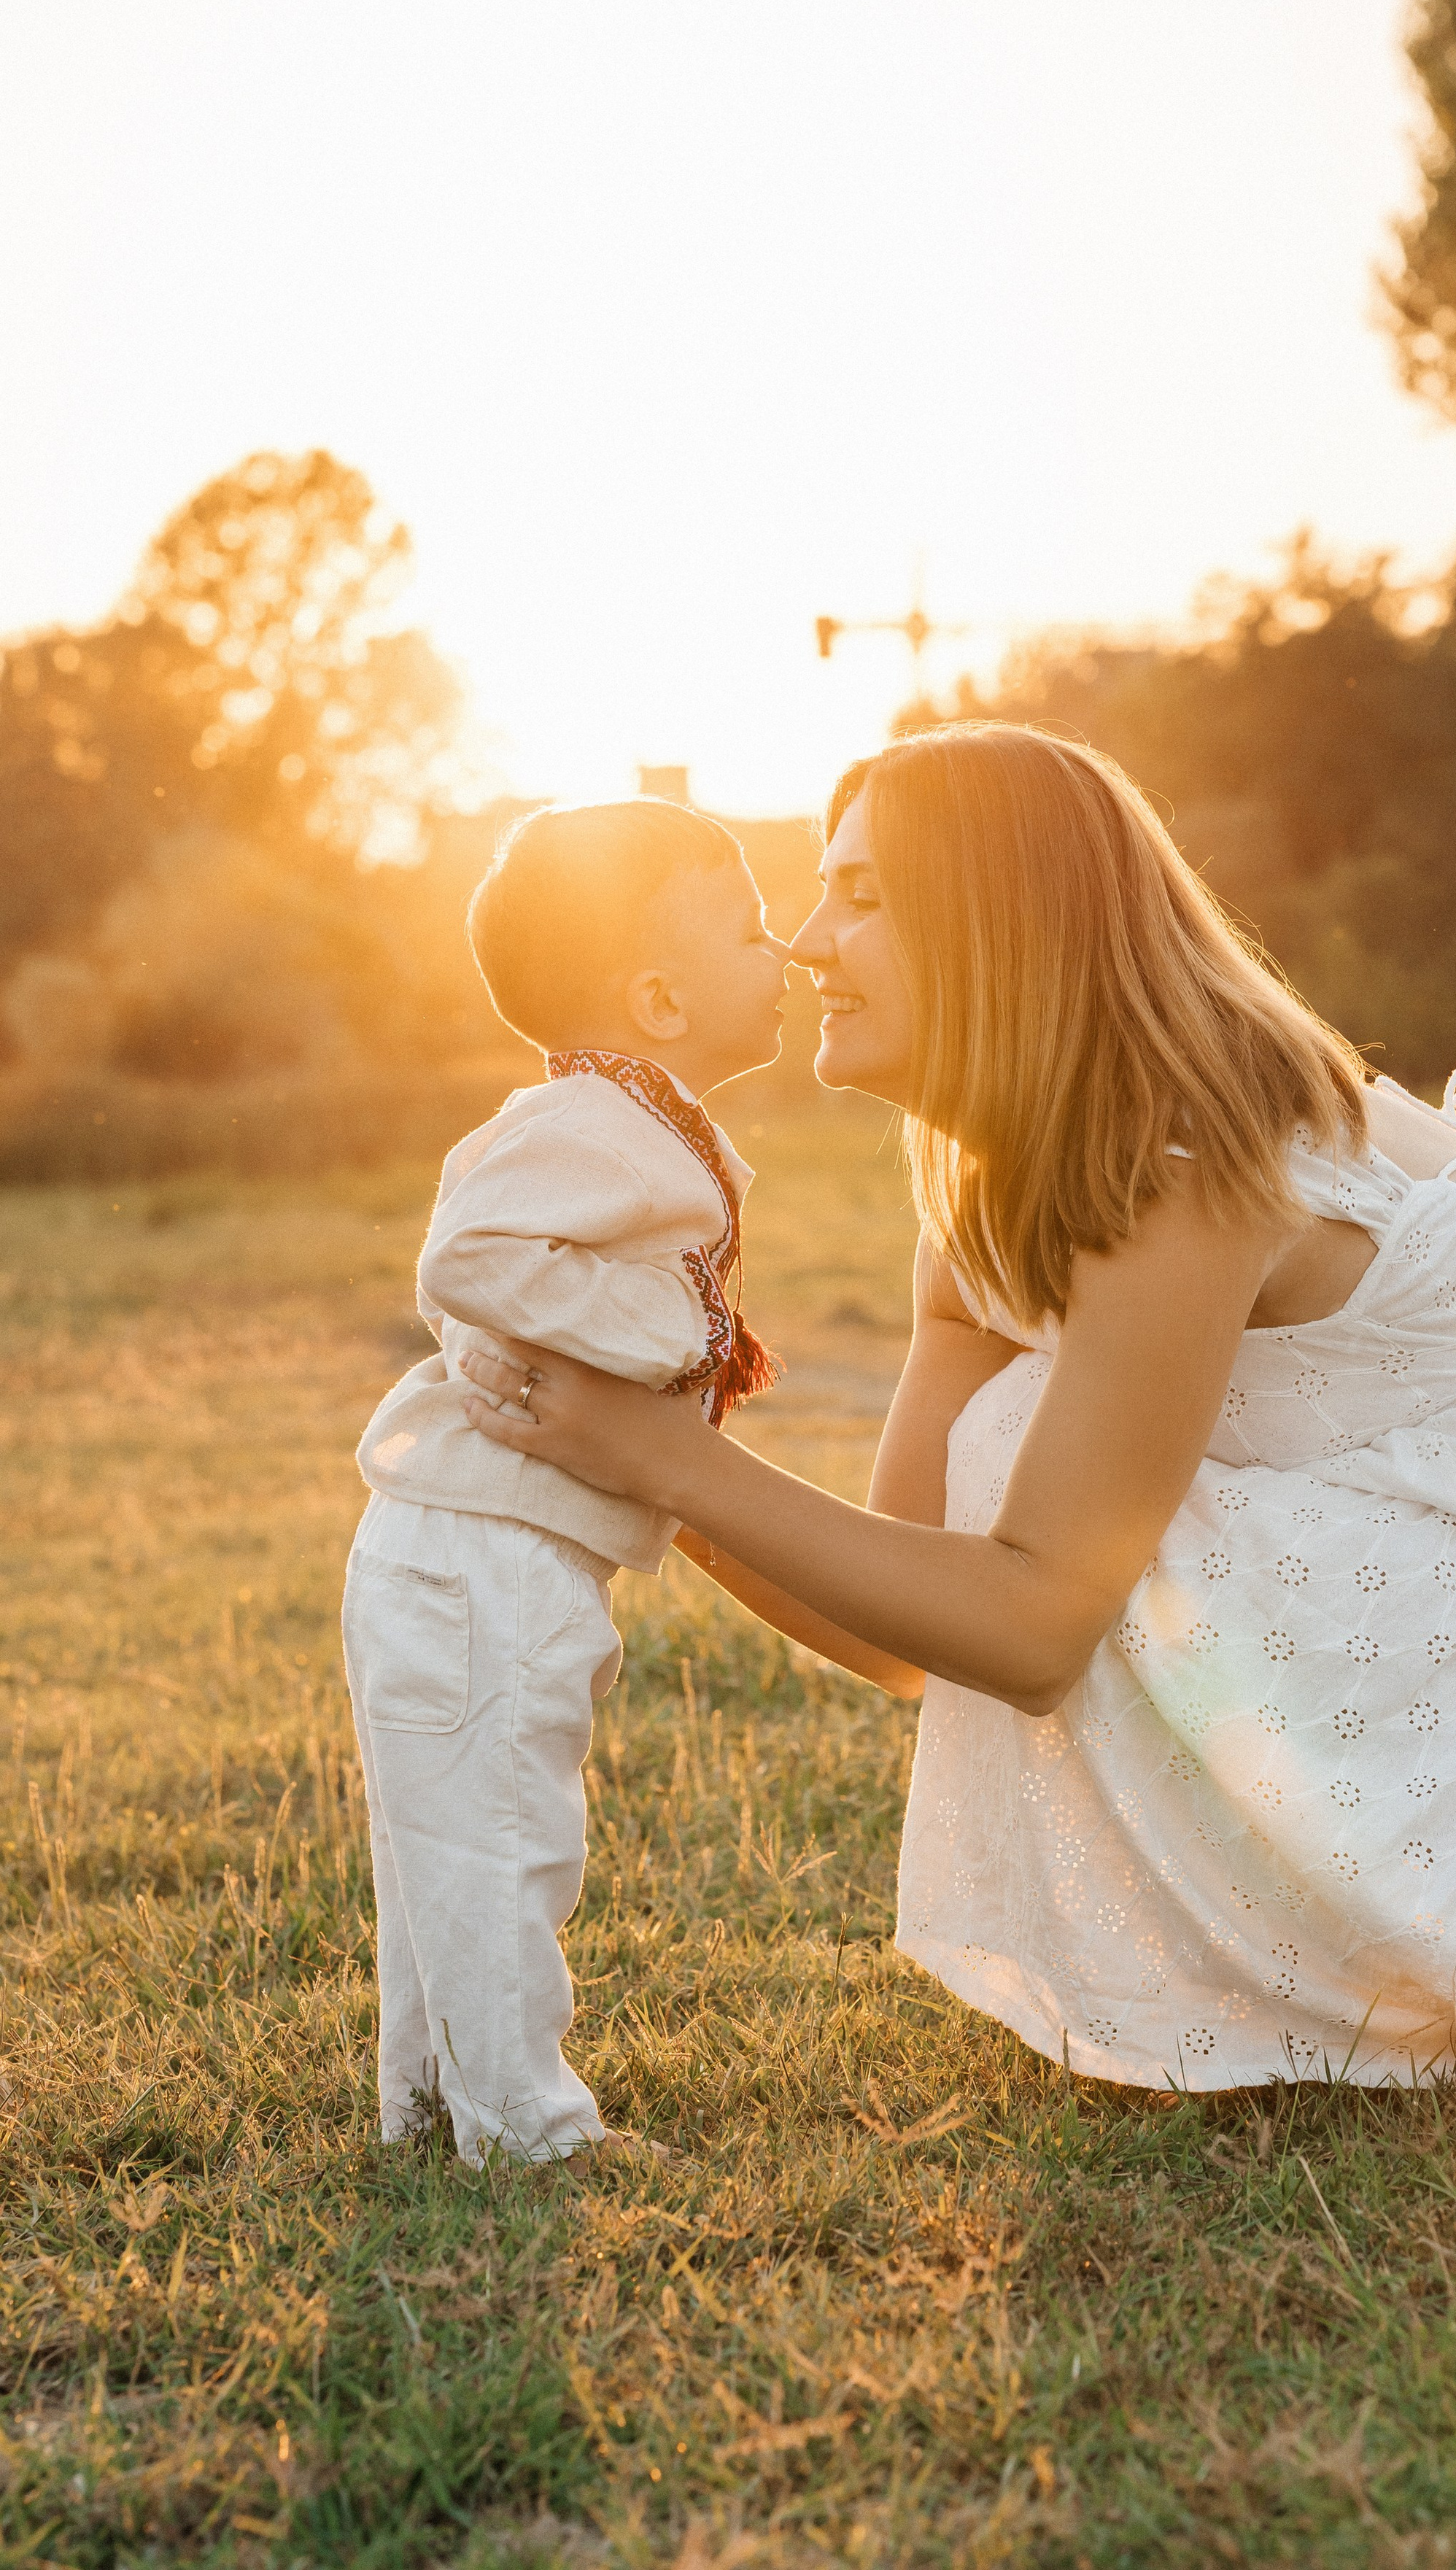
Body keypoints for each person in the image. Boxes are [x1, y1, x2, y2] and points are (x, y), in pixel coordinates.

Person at [458, 726, 1456, 2091]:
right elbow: (909, 1635)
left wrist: (653, 1452)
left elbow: (1025, 1628)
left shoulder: (1180, 1147)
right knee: (1012, 1458)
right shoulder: (985, 1199)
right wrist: (664, 1459)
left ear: (1000, 925)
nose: (810, 939)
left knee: (1043, 1490)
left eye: (863, 896)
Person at [346, 796, 840, 2164]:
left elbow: (486, 1281)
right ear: (661, 995)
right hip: (477, 1550)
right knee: (497, 1839)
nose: (789, 951)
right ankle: (528, 2133)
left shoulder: (634, 1121)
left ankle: (429, 2105)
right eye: (753, 929)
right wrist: (673, 1338)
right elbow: (467, 1259)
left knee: (447, 1843)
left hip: (492, 1546)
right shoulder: (588, 1120)